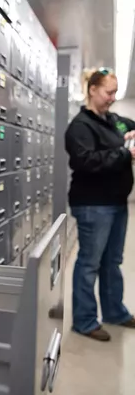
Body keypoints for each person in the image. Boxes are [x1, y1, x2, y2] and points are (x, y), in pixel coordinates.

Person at [65, 67, 135, 341]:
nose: (113, 97)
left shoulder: (114, 121)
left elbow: (129, 127)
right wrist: (124, 152)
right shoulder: (81, 127)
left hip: (117, 202)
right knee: (90, 263)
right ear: (92, 90)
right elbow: (87, 161)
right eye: (109, 92)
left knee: (112, 262)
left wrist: (130, 135)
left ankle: (114, 312)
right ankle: (84, 321)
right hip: (93, 205)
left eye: (116, 92)